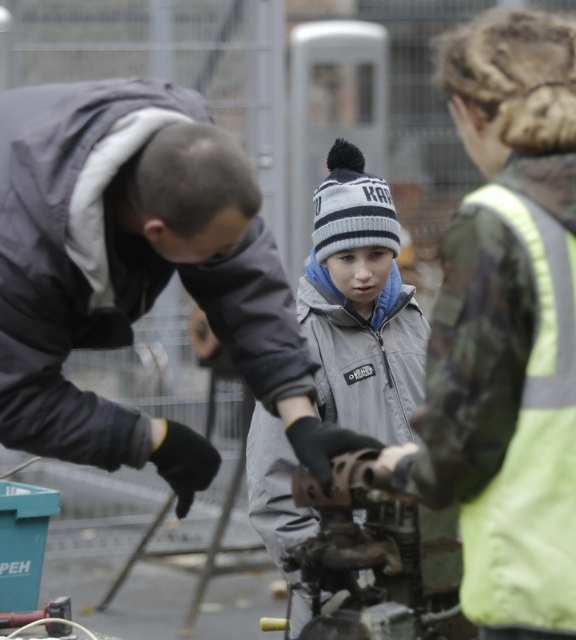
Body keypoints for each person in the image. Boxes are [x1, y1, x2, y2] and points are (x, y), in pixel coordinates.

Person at [289, 9, 576, 640]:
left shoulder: (497, 223)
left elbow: (463, 446)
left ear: (470, 112)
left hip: (546, 588)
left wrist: (391, 466)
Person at [0, 78, 375, 617]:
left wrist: (300, 415)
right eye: (215, 249)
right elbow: (19, 400)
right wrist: (152, 439)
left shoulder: (189, 148)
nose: (230, 254)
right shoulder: (15, 253)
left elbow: (243, 278)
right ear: (156, 232)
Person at [245, 138, 430, 636]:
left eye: (377, 253)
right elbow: (272, 483)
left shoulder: (414, 321)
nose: (364, 272)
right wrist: (329, 572)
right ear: (323, 257)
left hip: (427, 566)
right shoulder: (299, 339)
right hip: (348, 586)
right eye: (346, 257)